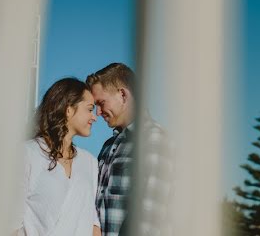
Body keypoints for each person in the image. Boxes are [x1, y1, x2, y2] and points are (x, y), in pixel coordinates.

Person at [88, 63, 172, 236]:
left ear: (123, 95)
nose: (98, 112)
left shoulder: (154, 139)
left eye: (101, 103)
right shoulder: (107, 147)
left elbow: (150, 217)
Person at [18, 77, 102, 236]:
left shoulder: (89, 162)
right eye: (89, 109)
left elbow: (94, 224)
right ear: (68, 109)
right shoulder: (27, 154)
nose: (94, 117)